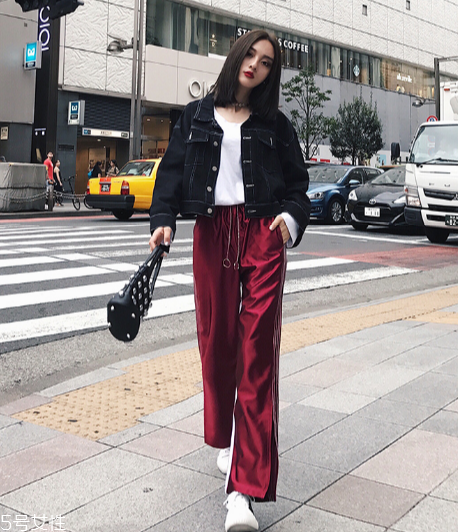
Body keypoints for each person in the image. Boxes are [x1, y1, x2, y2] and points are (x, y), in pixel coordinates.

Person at [149, 29, 310, 532]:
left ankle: (242, 492)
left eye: (267, 62)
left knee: (257, 355)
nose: (255, 65)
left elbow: (299, 185)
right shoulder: (196, 116)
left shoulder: (276, 124)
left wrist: (290, 219)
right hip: (212, 232)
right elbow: (171, 174)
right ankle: (226, 438)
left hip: (262, 233)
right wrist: (163, 220)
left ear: (270, 74)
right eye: (251, 55)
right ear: (237, 56)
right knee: (216, 346)